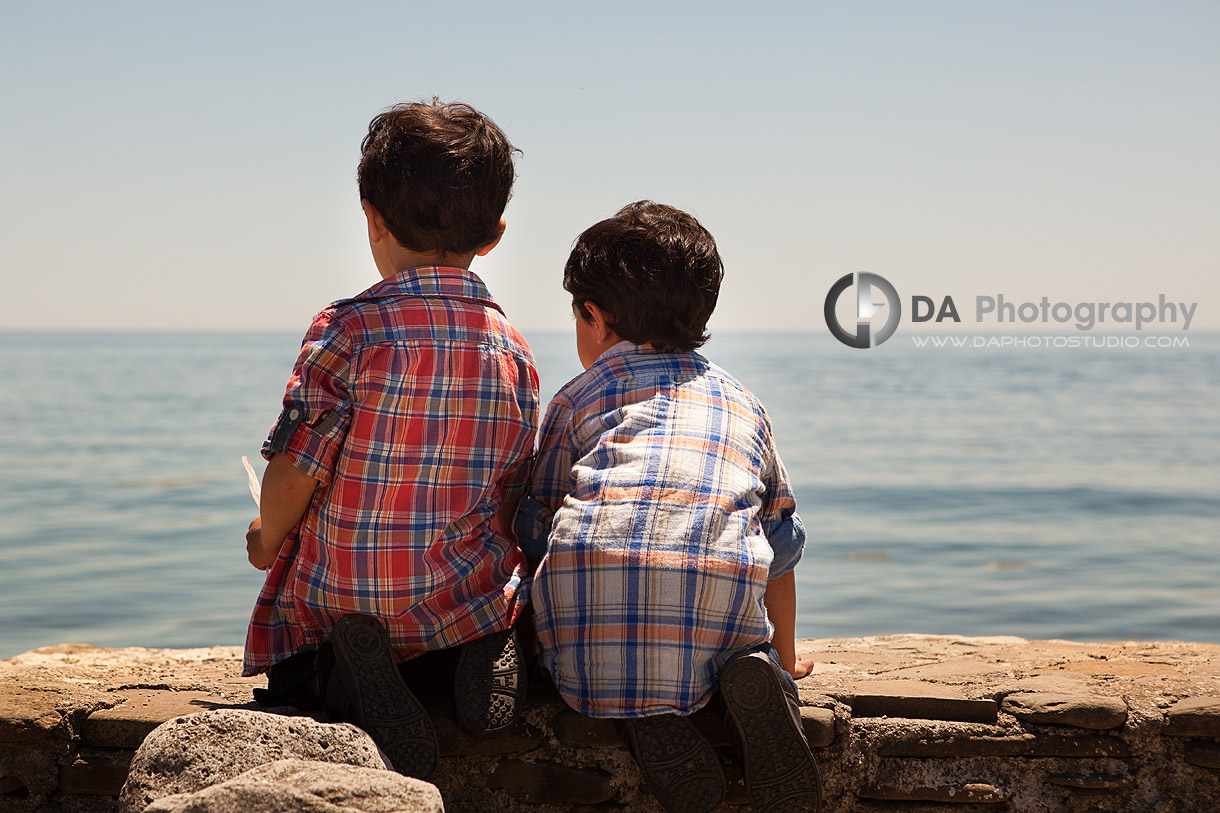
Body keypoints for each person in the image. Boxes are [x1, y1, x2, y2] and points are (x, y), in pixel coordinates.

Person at [241, 99, 539, 780]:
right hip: (454, 606)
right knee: (489, 592)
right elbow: (510, 492)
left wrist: (265, 538)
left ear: (371, 216)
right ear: (494, 233)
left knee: (299, 670)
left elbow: (296, 467)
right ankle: (482, 645)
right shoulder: (514, 350)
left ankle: (342, 671)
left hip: (340, 602)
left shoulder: (349, 330)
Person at [515, 201, 821, 813]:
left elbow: (536, 526)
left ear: (593, 317)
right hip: (716, 608)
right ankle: (755, 676)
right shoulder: (742, 404)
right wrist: (786, 661)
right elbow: (780, 550)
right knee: (744, 580)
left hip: (583, 631)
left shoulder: (576, 400)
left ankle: (634, 707)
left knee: (556, 560)